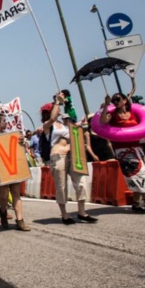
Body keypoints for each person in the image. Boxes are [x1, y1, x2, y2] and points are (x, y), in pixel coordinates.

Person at [42, 93, 98, 224]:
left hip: (73, 155)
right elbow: (53, 117)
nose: (60, 109)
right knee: (61, 186)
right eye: (56, 108)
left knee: (81, 183)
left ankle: (82, 212)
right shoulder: (48, 125)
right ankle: (64, 214)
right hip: (58, 156)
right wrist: (57, 102)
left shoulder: (65, 124)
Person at [100, 82, 145, 213]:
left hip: (137, 148)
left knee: (139, 176)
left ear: (125, 100)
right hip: (123, 151)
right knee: (138, 175)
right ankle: (139, 203)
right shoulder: (112, 115)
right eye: (114, 100)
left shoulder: (134, 113)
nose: (116, 102)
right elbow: (102, 122)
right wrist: (106, 105)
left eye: (118, 99)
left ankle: (136, 204)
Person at [0, 114, 31, 232]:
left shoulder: (11, 134)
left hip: (13, 167)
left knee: (16, 193)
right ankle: (3, 213)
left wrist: (21, 141)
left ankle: (20, 221)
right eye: (4, 121)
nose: (6, 123)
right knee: (4, 195)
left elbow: (19, 149)